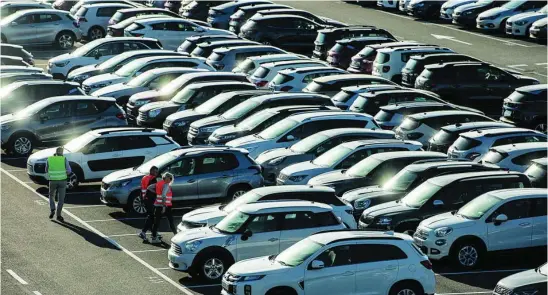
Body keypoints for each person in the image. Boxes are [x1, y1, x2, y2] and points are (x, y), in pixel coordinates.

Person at [45, 147, 71, 222]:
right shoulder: (64, 159)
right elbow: (69, 171)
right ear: (62, 152)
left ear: (56, 152)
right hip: (62, 181)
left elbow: (46, 169)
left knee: (51, 196)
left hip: (52, 181)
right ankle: (58, 215)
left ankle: (52, 209)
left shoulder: (49, 159)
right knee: (61, 199)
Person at [150, 172, 177, 244]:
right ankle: (176, 236)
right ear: (166, 178)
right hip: (165, 206)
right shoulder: (166, 185)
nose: (171, 180)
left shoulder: (159, 183)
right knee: (171, 221)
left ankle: (153, 237)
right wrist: (164, 207)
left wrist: (156, 193)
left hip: (158, 205)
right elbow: (164, 196)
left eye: (171, 178)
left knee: (156, 222)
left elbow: (149, 187)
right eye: (170, 178)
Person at [138, 166, 159, 241]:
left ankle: (154, 232)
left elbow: (142, 188)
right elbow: (154, 190)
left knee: (151, 216)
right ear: (152, 171)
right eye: (156, 172)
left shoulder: (145, 177)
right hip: (150, 199)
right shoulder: (153, 179)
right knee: (151, 216)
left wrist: (142, 199)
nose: (157, 173)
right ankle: (143, 232)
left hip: (145, 198)